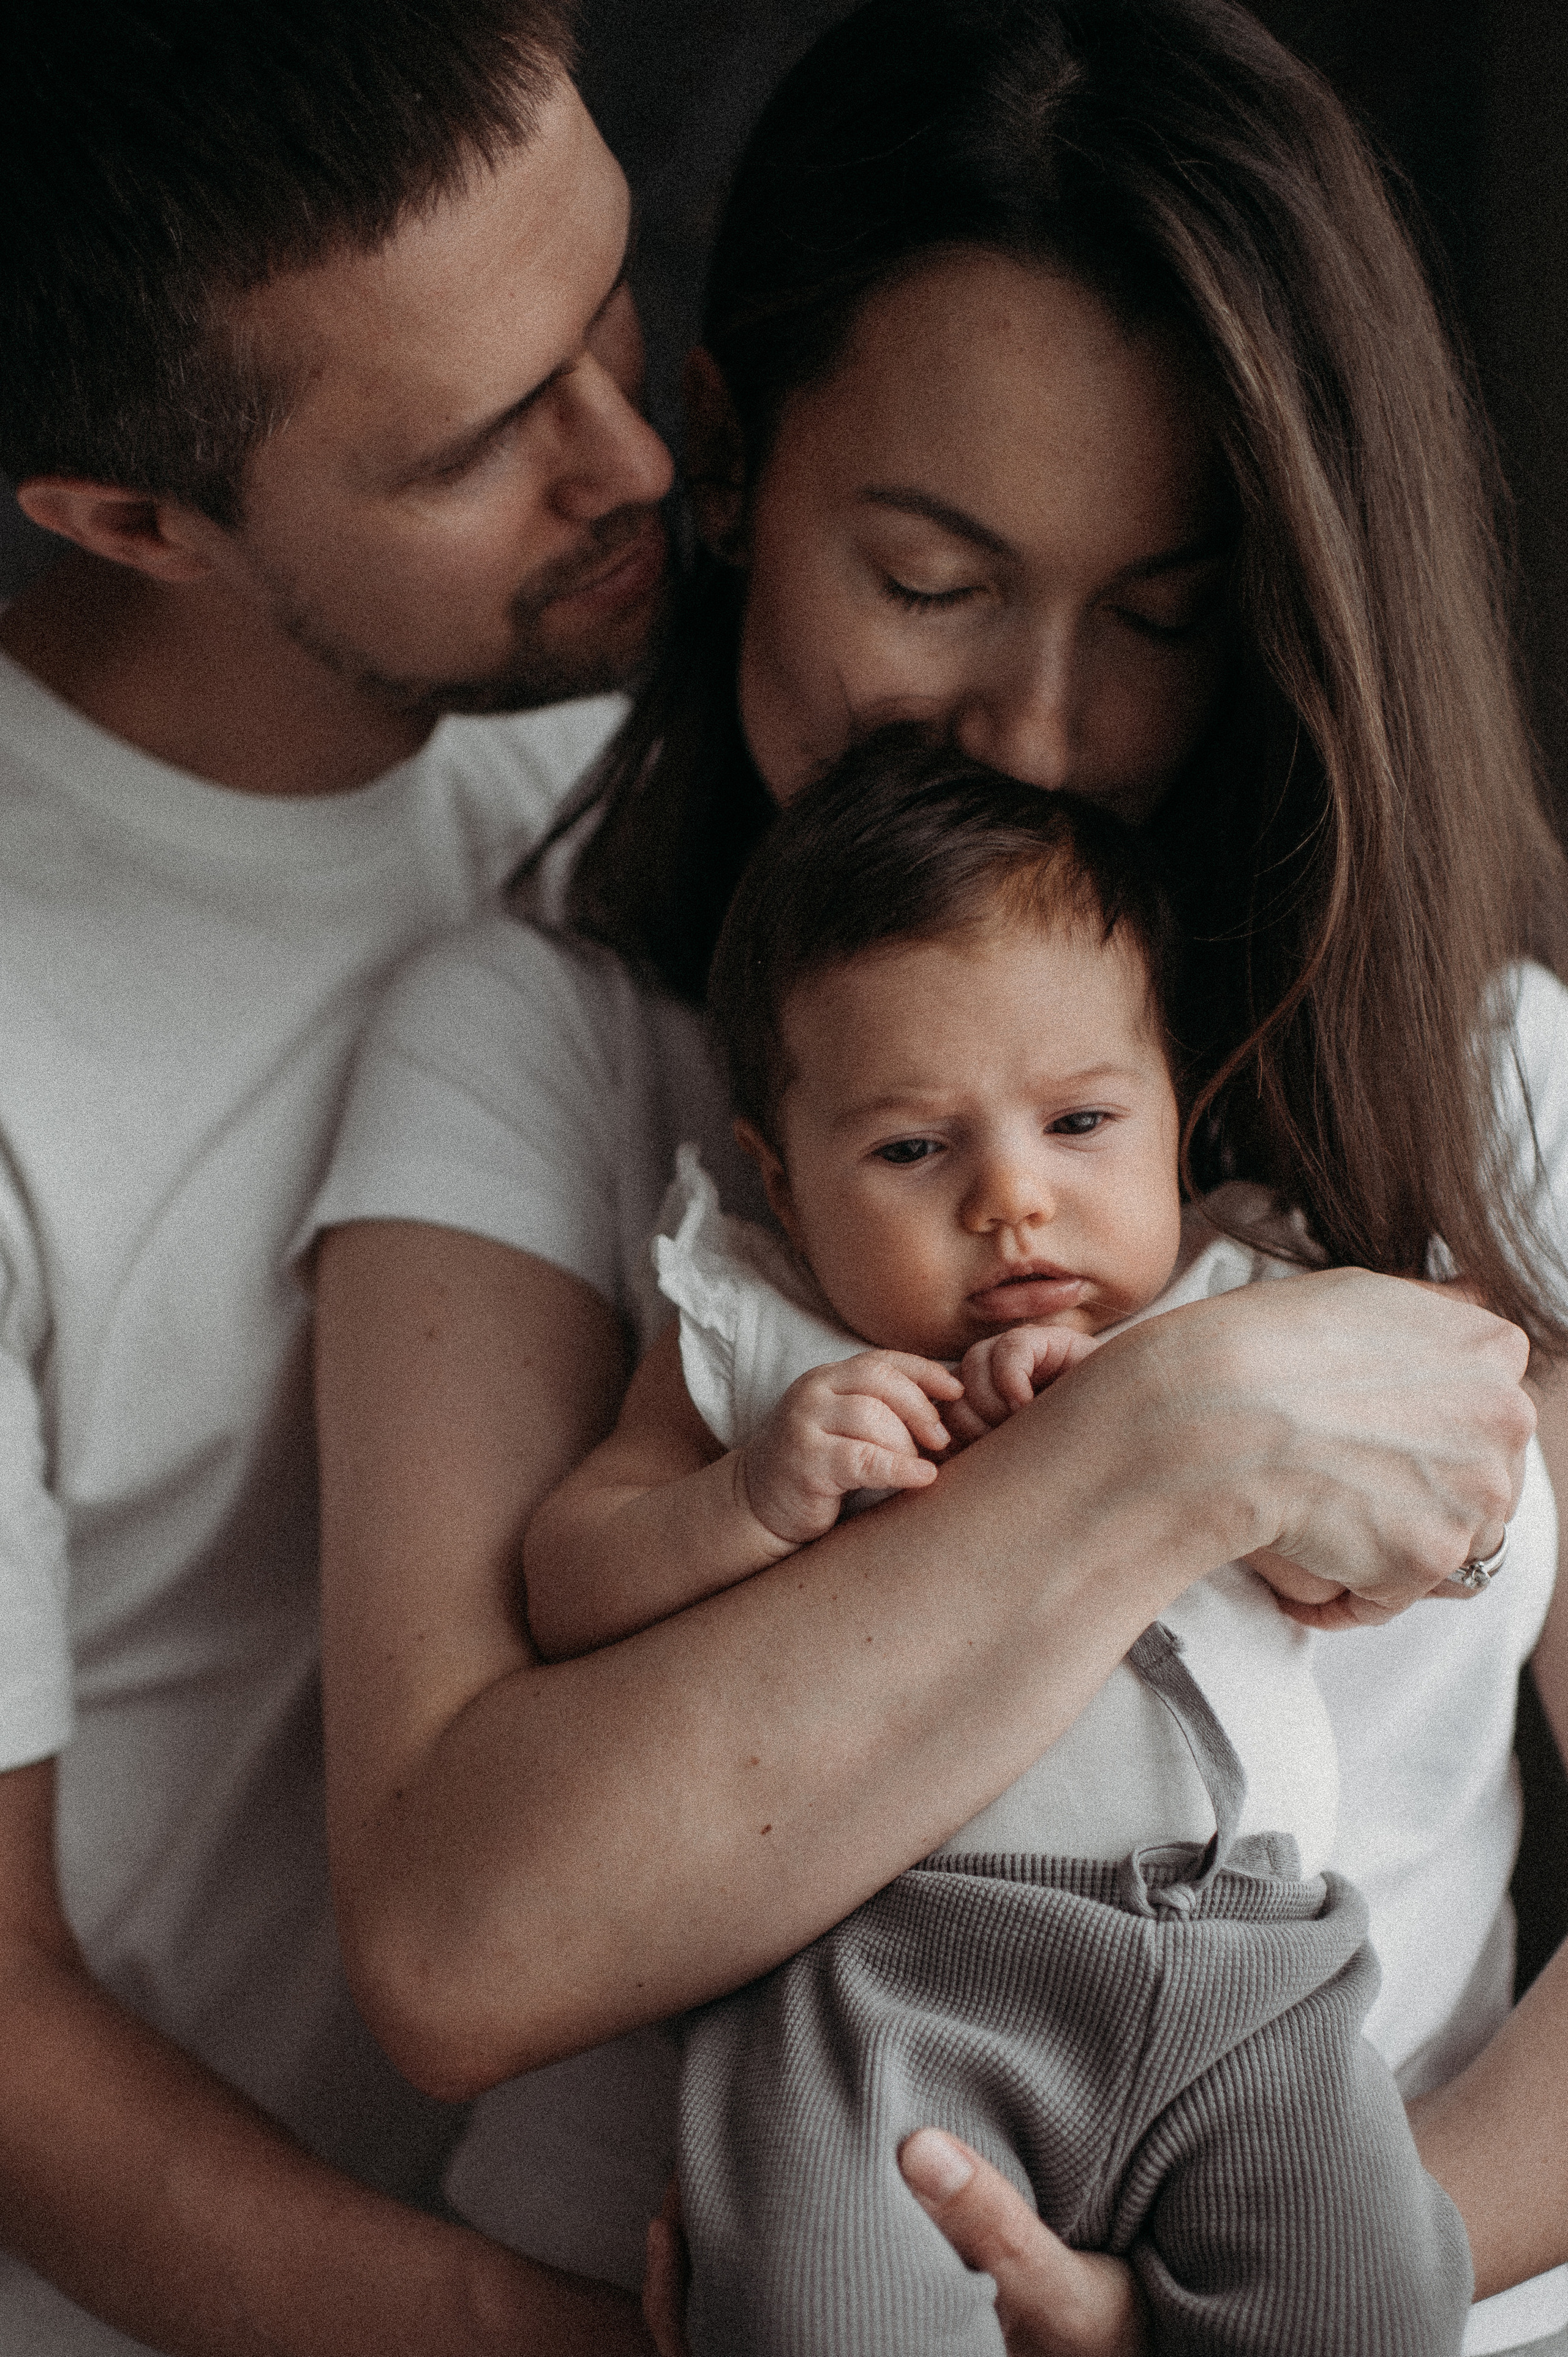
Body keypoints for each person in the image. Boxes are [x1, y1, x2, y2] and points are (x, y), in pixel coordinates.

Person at [305, 0, 1568, 2350]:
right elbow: (463, 1943)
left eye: (1164, 616)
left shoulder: (1478, 1078)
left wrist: (1242, 2297)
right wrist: (1175, 1438)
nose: (1045, 733)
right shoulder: (541, 1048)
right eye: (929, 579)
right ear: (726, 458)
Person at [0, 2, 684, 2350]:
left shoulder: (655, 779)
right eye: (488, 441)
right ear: (131, 517)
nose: (635, 456)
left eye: (605, 296)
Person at [525, 740, 1476, 2356]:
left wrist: (1206, 1451)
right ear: (782, 1169)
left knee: (1378, 2302)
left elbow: (1349, 1576)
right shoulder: (759, 1329)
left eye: (1083, 1121)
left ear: (1181, 1113)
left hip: (1249, 1962)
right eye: (912, 1151)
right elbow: (567, 1576)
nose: (1013, 1203)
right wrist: (746, 1497)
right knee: (810, 2307)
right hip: (894, 1979)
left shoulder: (1255, 1309)